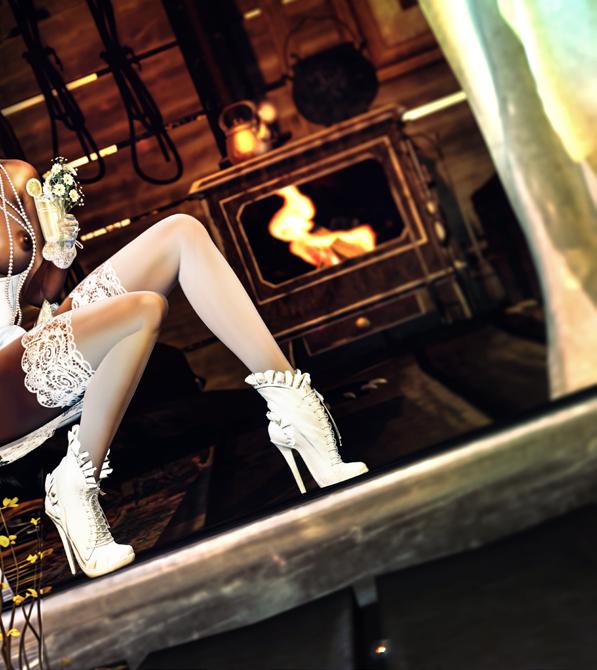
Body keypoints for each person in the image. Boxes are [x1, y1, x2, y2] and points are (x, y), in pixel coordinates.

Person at [0, 158, 369, 579]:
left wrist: (60, 243)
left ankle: (296, 414)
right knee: (143, 311)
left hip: (25, 348)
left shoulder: (16, 177)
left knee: (182, 231)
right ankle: (75, 485)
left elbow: (39, 291)